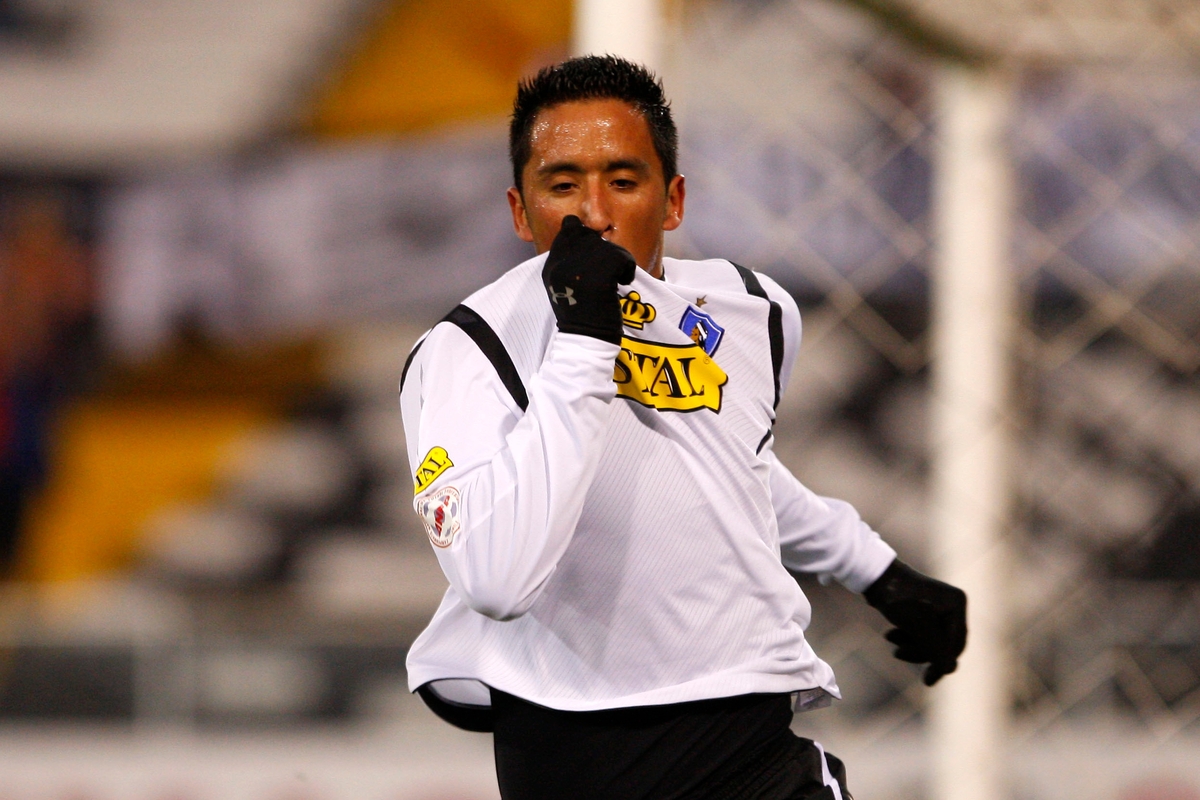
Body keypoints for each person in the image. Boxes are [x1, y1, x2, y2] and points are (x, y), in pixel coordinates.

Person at [400, 55, 966, 800]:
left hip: (749, 733)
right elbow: (496, 578)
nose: (593, 212)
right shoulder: (468, 349)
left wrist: (878, 572)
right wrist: (584, 345)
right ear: (519, 210)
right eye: (562, 184)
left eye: (623, 181)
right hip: (577, 749)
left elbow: (729, 464)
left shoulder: (753, 311)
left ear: (673, 202)